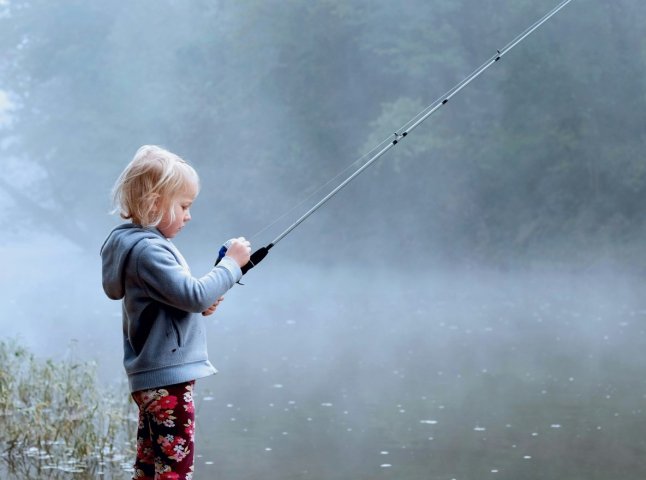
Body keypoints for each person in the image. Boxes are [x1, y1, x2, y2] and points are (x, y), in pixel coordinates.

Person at [100, 145, 250, 480]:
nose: (188, 215)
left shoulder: (136, 246)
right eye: (183, 205)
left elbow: (179, 300)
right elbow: (194, 294)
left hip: (152, 379)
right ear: (154, 203)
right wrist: (231, 265)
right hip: (168, 380)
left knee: (150, 466)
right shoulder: (150, 250)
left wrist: (198, 307)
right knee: (175, 470)